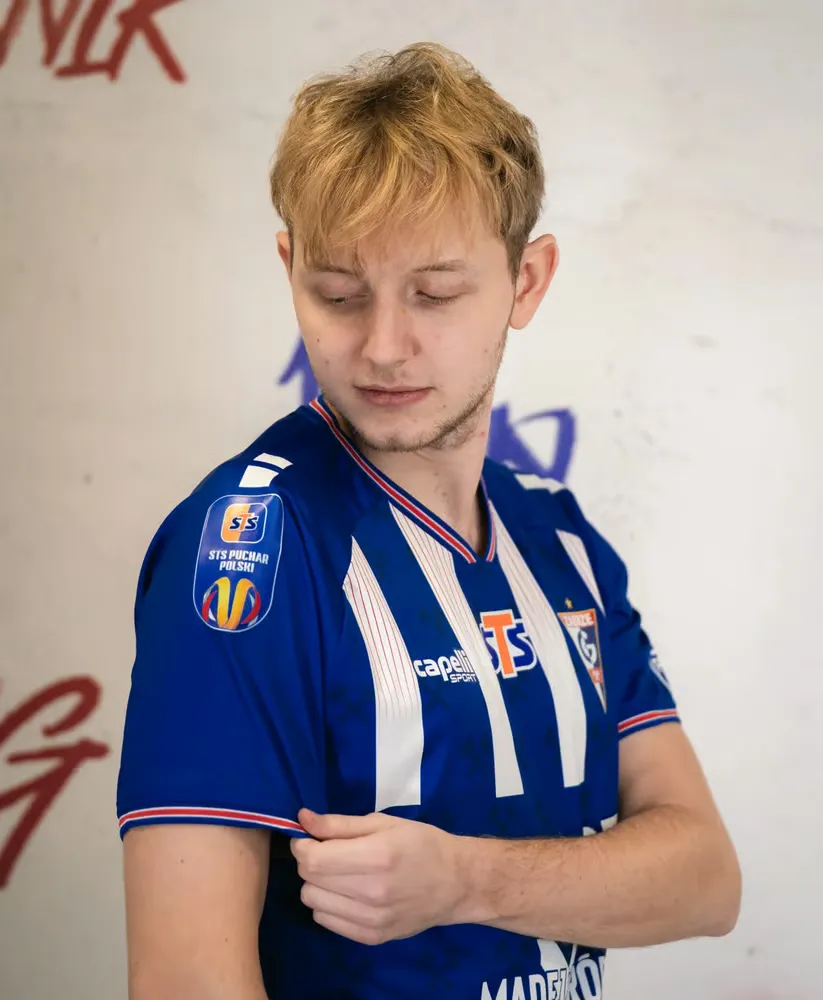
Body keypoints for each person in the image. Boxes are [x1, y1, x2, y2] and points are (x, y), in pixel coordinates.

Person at [117, 41, 741, 1000]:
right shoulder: (251, 548)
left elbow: (704, 880)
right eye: (337, 293)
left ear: (526, 282)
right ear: (289, 268)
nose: (383, 345)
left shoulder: (559, 537)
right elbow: (185, 980)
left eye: (435, 293)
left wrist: (464, 880)